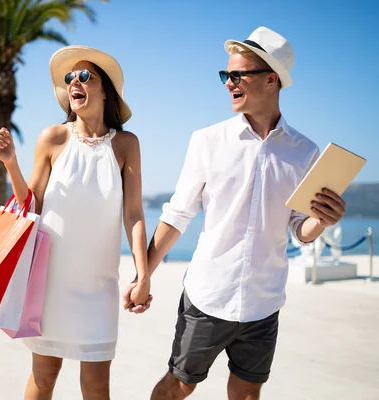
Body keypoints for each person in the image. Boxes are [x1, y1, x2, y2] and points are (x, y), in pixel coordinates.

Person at [124, 27, 347, 399]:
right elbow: (178, 214)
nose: (228, 83)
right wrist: (142, 275)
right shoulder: (207, 141)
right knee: (177, 387)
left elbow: (299, 229)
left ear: (271, 80)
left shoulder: (305, 153)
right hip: (209, 296)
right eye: (225, 75)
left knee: (246, 395)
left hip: (264, 302)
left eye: (238, 75)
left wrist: (321, 220)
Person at [0, 45, 151, 400]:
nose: (74, 82)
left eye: (84, 76)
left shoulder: (126, 144)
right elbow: (30, 204)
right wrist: (10, 163)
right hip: (50, 282)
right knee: (44, 377)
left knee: (97, 387)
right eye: (69, 78)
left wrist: (144, 275)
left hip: (99, 286)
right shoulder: (53, 137)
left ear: (104, 89)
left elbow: (134, 213)